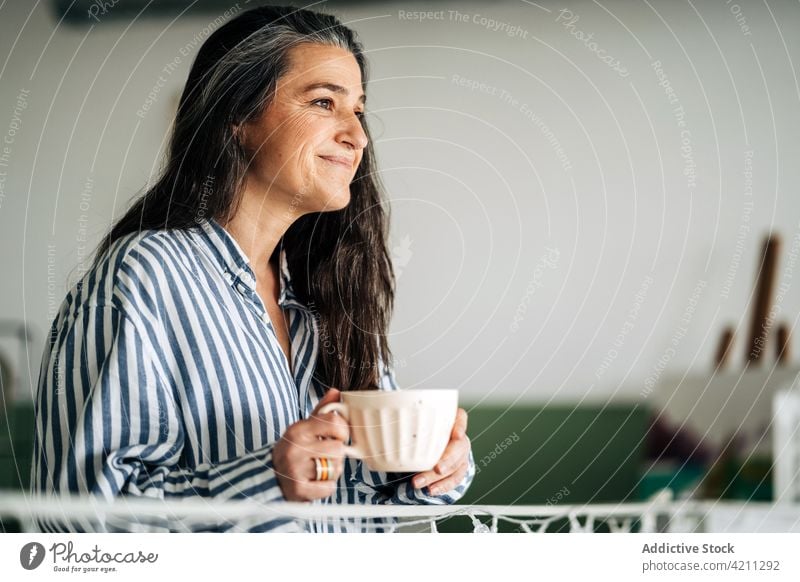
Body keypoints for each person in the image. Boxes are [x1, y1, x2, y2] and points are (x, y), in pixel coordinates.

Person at [32, 5, 474, 532]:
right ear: (237, 117)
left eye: (358, 109)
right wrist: (269, 481)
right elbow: (81, 526)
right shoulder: (144, 275)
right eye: (323, 101)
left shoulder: (326, 295)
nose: (357, 135)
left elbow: (348, 500)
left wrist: (430, 471)